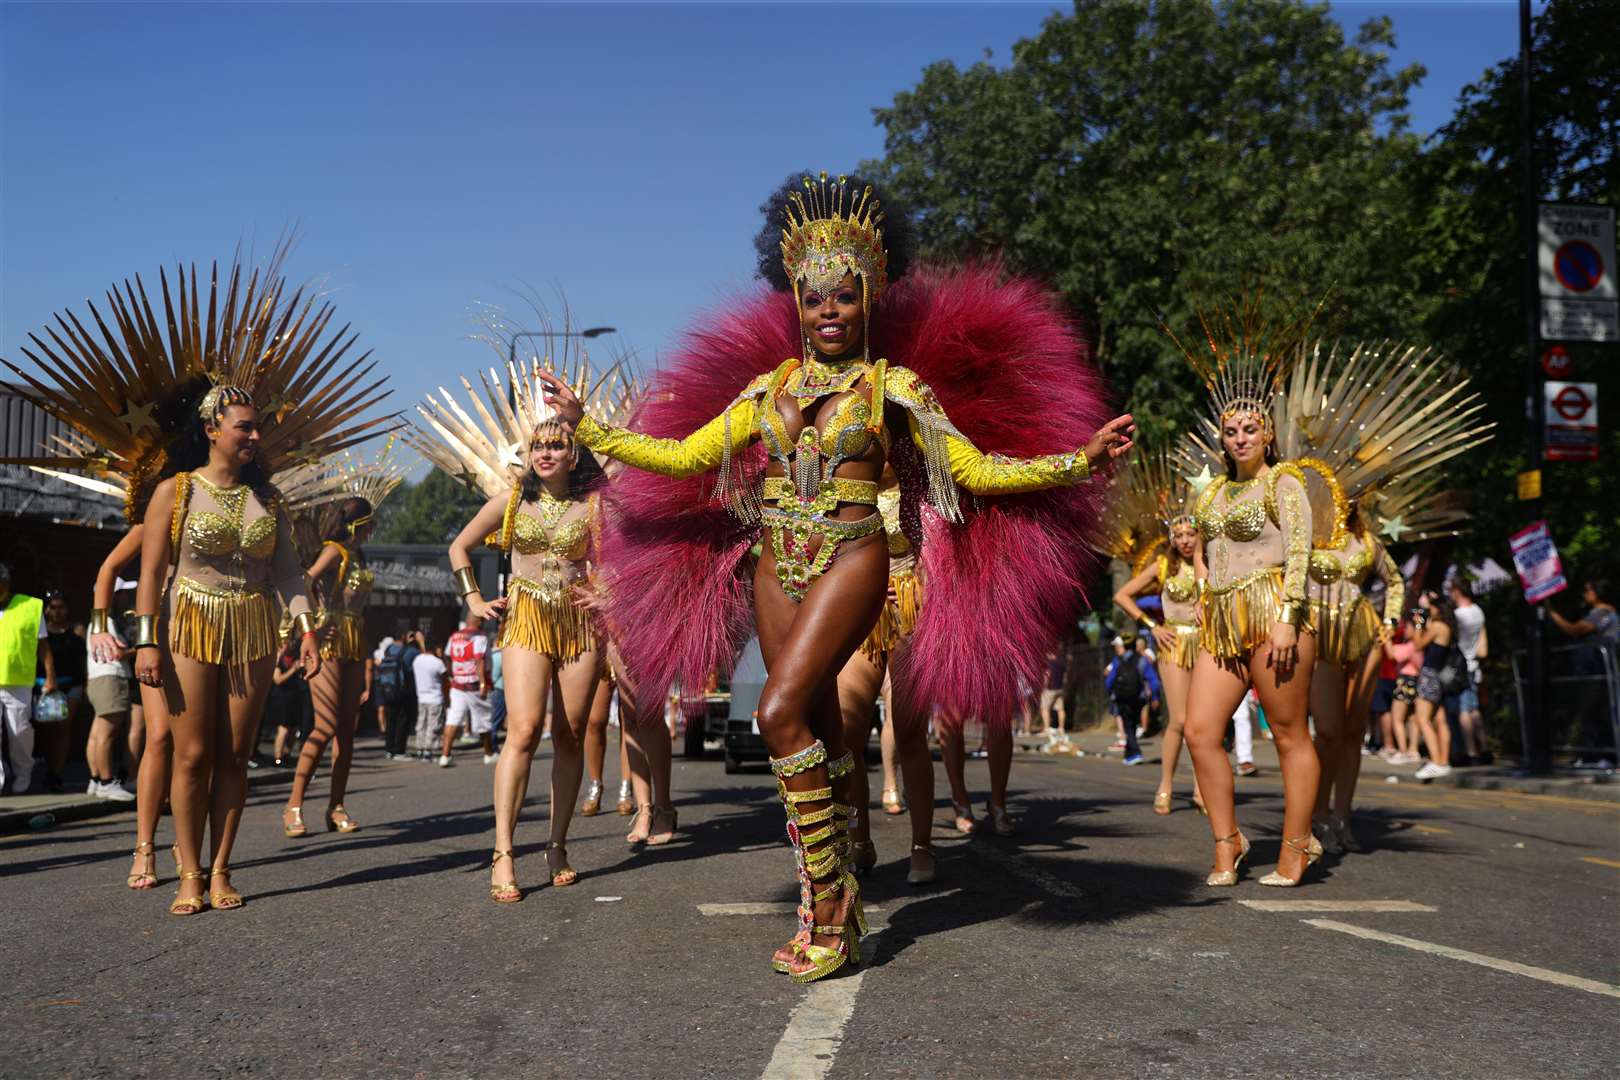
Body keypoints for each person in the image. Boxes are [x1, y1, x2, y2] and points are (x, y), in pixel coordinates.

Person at [544, 170, 1132, 982]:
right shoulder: (766, 392)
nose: (828, 311)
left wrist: (1079, 460)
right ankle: (845, 878)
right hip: (774, 565)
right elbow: (682, 458)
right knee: (821, 733)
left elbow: (977, 471)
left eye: (843, 296)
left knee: (778, 714)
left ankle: (827, 903)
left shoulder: (895, 389)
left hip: (855, 555)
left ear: (870, 296)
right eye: (813, 297)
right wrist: (590, 427)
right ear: (795, 300)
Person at [417, 351, 619, 902]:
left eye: (556, 444)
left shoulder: (595, 506)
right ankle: (504, 851)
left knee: (572, 732)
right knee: (525, 729)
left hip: (579, 625)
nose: (546, 452)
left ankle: (556, 843)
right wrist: (474, 597)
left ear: (574, 452)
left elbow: (620, 562)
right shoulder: (511, 502)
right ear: (527, 454)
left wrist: (605, 590)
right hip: (527, 618)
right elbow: (458, 547)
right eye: (538, 445)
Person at [1172, 299, 1321, 888]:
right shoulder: (1210, 498)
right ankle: (1227, 841)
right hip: (1222, 624)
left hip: (1273, 615)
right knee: (1200, 731)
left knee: (1288, 734)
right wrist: (1205, 593)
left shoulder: (1284, 483)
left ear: (1269, 434)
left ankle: (1295, 846)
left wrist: (1288, 617)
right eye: (1230, 431)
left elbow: (1302, 553)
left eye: (1250, 429)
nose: (1239, 438)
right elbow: (1205, 558)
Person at [284, 475, 399, 837]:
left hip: (354, 638)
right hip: (330, 638)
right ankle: (293, 806)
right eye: (370, 523)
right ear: (359, 522)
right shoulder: (335, 548)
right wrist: (313, 625)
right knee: (325, 725)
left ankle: (336, 806)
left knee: (346, 732)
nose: (373, 530)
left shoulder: (358, 553)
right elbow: (304, 579)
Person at [1547, 578, 1619, 769]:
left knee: (1595, 711)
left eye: (1588, 590)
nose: (1585, 593)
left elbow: (1575, 630)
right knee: (1591, 711)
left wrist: (1552, 614)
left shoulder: (1601, 613)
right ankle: (1592, 755)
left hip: (1597, 669)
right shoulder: (1602, 613)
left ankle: (1603, 755)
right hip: (1596, 669)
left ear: (1597, 592)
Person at [0, 564, 54, 796]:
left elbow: (44, 647)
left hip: (18, 682)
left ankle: (23, 774)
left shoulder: (30, 607)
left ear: (6, 584)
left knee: (20, 731)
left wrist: (51, 676)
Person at [84, 582, 137, 802]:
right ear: (113, 596)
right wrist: (142, 647)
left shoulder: (101, 622)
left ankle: (96, 780)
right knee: (106, 735)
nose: (126, 597)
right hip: (110, 677)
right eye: (122, 593)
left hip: (99, 678)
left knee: (97, 734)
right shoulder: (107, 621)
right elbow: (117, 653)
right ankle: (107, 782)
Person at [34, 590, 85, 793]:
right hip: (44, 686)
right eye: (52, 607)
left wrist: (87, 682)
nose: (57, 611)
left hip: (72, 685)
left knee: (64, 728)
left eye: (61, 606)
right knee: (46, 729)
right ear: (46, 609)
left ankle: (56, 772)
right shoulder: (41, 630)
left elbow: (83, 660)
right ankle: (47, 765)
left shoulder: (77, 630)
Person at [1408, 595, 1455, 781]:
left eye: (1433, 608)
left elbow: (1418, 644)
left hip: (1428, 675)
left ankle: (1435, 761)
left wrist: (1418, 625)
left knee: (1422, 719)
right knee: (1440, 719)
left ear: (1439, 609)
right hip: (1438, 676)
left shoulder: (1436, 626)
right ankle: (1443, 761)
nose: (1431, 611)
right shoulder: (1447, 627)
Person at [440, 613, 495, 767]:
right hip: (474, 684)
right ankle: (488, 754)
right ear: (477, 621)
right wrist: (484, 684)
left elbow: (447, 656)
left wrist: (452, 673)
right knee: (483, 719)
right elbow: (479, 661)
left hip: (457, 684)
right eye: (482, 620)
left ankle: (445, 755)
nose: (483, 622)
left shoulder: (454, 636)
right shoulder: (479, 637)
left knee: (453, 719)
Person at [1104, 632, 1161, 767]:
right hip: (1138, 698)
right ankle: (1129, 754)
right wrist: (1155, 697)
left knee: (1128, 726)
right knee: (1133, 725)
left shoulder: (1118, 661)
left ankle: (1135, 753)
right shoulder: (1142, 660)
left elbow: (1109, 681)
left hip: (1122, 698)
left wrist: (1111, 693)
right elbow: (1154, 681)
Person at [1449, 579, 1489, 763]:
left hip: (1460, 666)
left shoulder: (1458, 615)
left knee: (1464, 709)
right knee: (1474, 708)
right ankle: (1485, 748)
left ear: (1457, 591)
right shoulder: (1478, 611)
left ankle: (1471, 751)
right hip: (1474, 664)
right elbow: (1483, 642)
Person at [411, 635, 447, 762]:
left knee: (421, 723)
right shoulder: (437, 662)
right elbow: (445, 680)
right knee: (433, 724)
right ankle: (428, 750)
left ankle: (420, 748)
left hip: (421, 697)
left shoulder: (417, 660)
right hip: (435, 697)